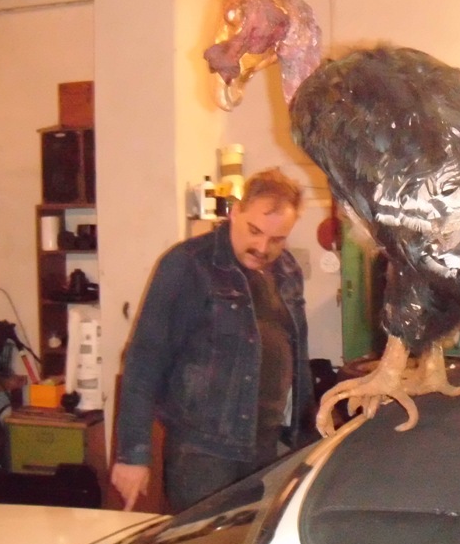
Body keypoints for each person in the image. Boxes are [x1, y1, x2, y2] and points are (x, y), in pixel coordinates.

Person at [111, 167, 317, 513]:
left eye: (277, 239)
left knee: (252, 542)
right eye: (254, 231)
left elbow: (298, 354)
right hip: (203, 453)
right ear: (235, 212)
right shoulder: (189, 264)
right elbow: (145, 357)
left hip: (266, 446)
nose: (262, 247)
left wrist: (307, 436)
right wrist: (132, 455)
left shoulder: (287, 270)